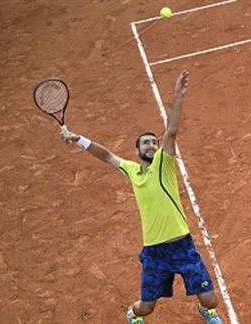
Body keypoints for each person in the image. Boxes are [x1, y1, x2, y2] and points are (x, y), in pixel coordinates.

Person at [62, 71, 222, 324]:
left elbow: (172, 131)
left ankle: (206, 312)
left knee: (211, 300)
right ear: (137, 150)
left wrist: (178, 96)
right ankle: (132, 314)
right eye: (145, 143)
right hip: (154, 252)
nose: (151, 145)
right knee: (146, 308)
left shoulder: (163, 163)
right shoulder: (132, 170)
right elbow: (106, 155)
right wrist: (77, 138)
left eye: (153, 142)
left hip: (183, 247)